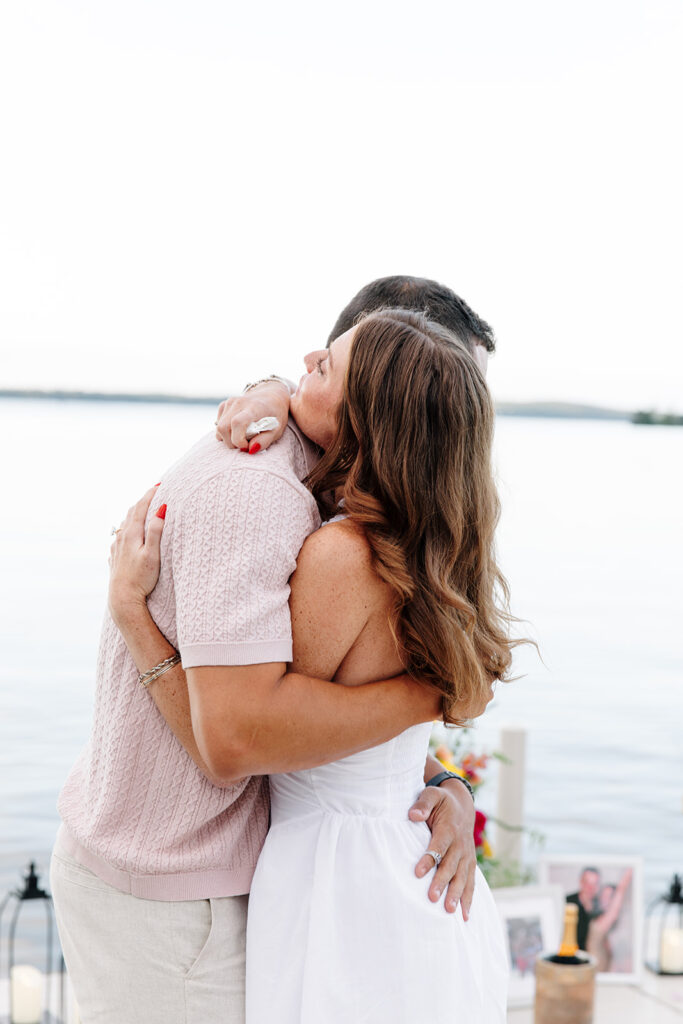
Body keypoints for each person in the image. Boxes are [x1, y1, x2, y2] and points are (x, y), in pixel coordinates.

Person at [51, 277, 498, 1024]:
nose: (301, 366)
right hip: (182, 883)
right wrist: (432, 703)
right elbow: (247, 736)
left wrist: (449, 782)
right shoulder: (297, 506)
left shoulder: (341, 527)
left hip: (323, 870)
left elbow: (279, 730)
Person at [585, 869, 633, 972]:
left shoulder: (612, 931)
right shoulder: (598, 924)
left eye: (609, 896)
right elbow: (619, 894)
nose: (605, 900)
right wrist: (626, 877)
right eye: (604, 896)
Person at [566, 867, 602, 950]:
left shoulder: (599, 907)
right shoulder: (566, 902)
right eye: (587, 883)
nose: (590, 888)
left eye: (594, 884)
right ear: (581, 882)